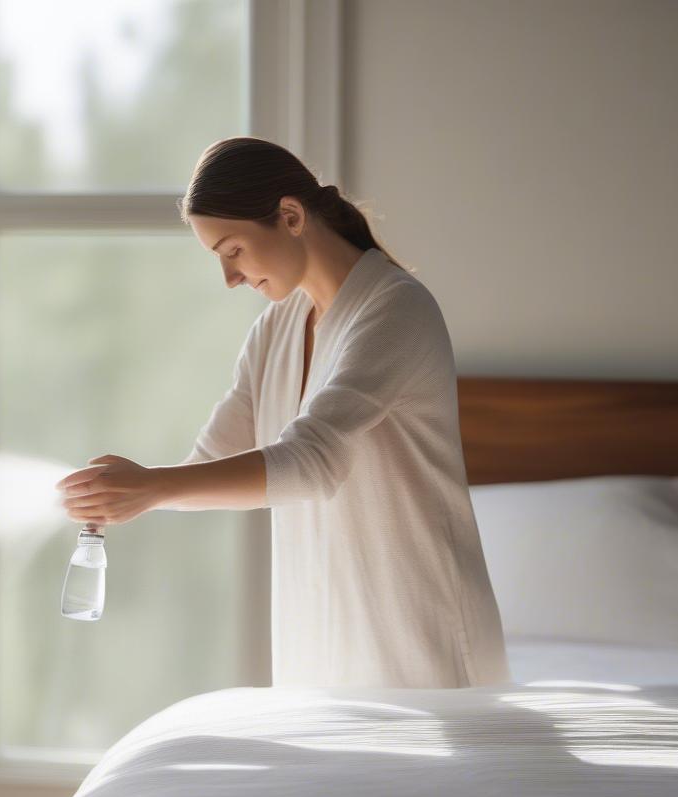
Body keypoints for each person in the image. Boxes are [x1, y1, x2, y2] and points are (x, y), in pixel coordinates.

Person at [56, 136, 511, 689]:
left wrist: (152, 488)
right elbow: (212, 461)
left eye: (234, 251)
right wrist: (124, 490)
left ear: (291, 216)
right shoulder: (275, 329)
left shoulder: (396, 310)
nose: (229, 278)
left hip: (419, 647)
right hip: (321, 648)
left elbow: (312, 463)